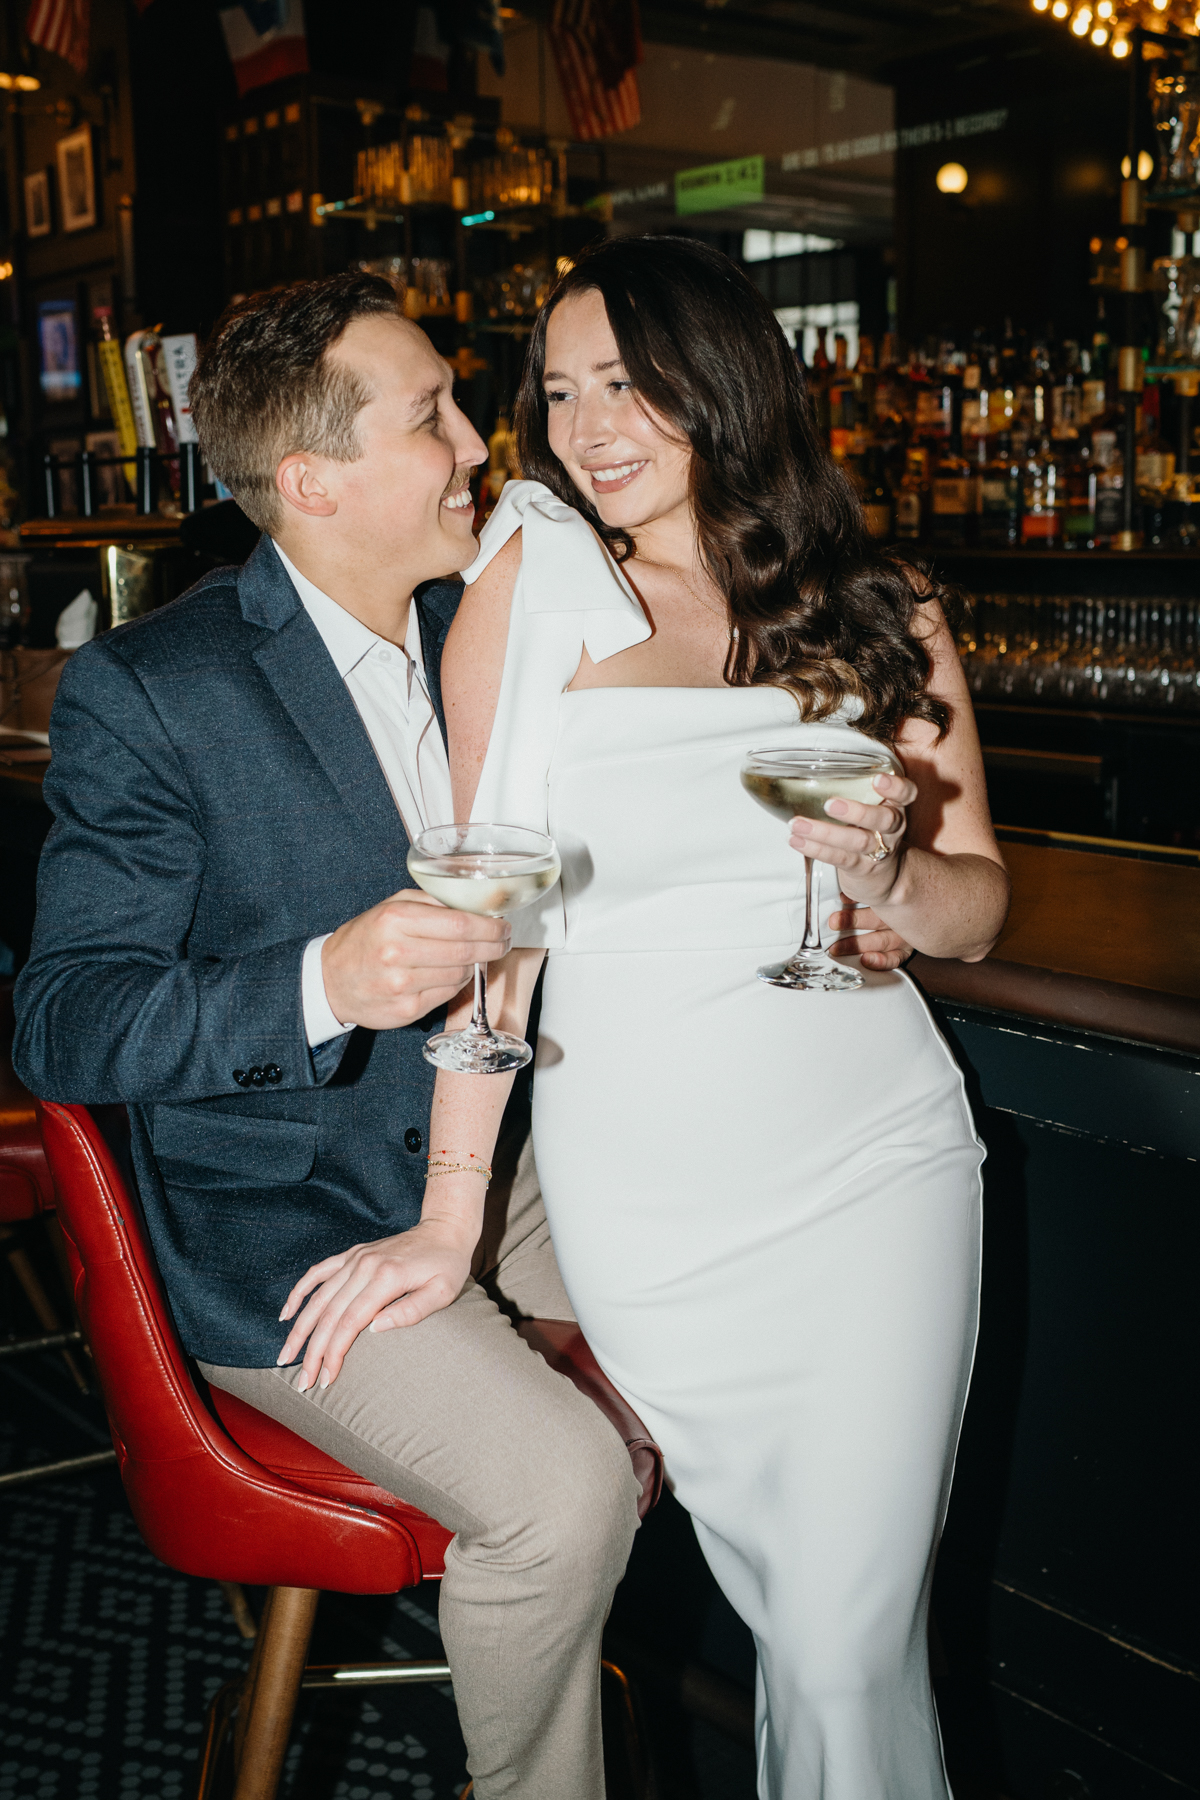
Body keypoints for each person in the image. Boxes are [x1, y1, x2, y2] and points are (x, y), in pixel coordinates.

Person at [279, 238, 1009, 1799]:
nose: (588, 423)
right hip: (659, 1193)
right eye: (557, 391)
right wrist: (448, 1218)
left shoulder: (885, 608)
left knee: (844, 1634)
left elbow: (974, 905)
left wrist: (895, 866)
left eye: (627, 382)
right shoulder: (532, 586)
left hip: (878, 1159)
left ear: (726, 382)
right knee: (815, 1625)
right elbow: (498, 921)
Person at [12, 273, 644, 1800]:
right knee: (565, 1493)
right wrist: (323, 982)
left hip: (503, 1161)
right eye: (432, 413)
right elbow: (63, 1023)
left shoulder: (492, 620)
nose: (482, 440)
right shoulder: (151, 692)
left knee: (764, 1317)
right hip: (289, 1220)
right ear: (312, 482)